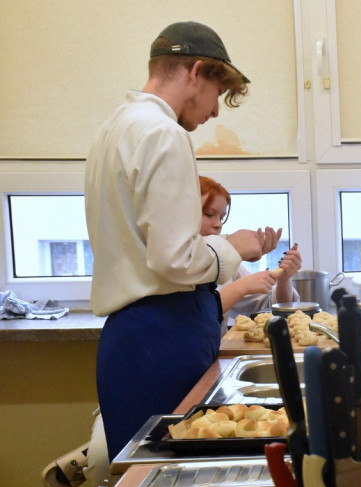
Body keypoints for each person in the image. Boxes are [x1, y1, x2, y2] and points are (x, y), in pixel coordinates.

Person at [85, 22, 277, 458]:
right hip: (162, 334)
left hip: (128, 338)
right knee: (169, 471)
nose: (214, 114)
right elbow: (174, 259)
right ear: (195, 72)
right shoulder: (164, 133)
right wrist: (233, 248)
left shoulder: (114, 129)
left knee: (137, 476)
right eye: (217, 95)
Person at [198, 176, 302, 320]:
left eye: (221, 218)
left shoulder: (225, 259)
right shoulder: (174, 263)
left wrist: (284, 279)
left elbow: (271, 305)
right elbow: (196, 315)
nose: (219, 225)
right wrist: (241, 287)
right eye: (209, 214)